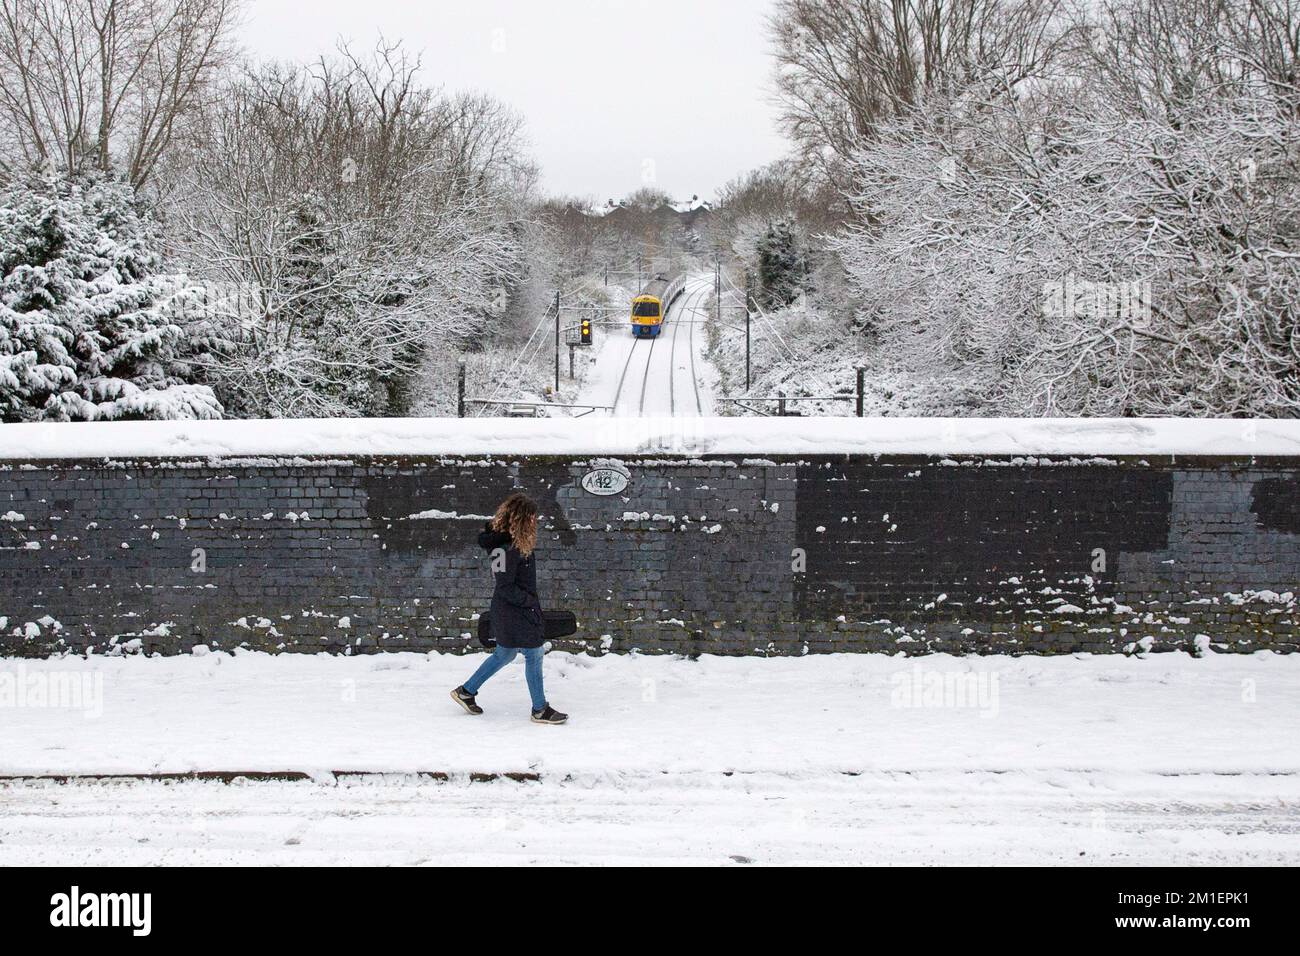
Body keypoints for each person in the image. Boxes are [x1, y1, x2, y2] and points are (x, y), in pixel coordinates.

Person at [451, 492, 568, 725]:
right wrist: (528, 601)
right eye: (532, 518)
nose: (535, 522)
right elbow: (504, 586)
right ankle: (540, 709)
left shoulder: (508, 545)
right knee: (534, 653)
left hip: (512, 609)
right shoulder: (504, 548)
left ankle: (466, 691)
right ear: (521, 519)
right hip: (514, 611)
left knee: (505, 653)